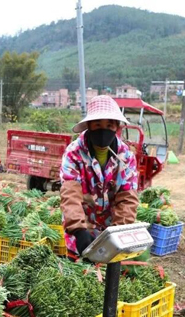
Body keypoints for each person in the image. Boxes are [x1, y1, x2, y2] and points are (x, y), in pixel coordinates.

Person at [60, 95, 140, 257]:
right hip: (82, 227)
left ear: (116, 127)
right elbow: (70, 194)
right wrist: (78, 230)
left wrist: (118, 232)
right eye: (97, 125)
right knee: (80, 267)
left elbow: (127, 197)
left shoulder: (126, 157)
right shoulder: (74, 154)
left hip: (112, 231)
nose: (103, 130)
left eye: (109, 125)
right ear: (89, 126)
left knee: (110, 268)